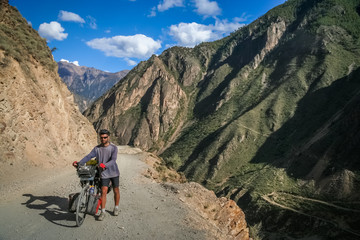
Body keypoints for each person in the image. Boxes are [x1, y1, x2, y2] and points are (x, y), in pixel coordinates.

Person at [73, 129, 120, 221]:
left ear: (108, 137)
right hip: (103, 173)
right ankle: (102, 212)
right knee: (103, 191)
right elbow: (89, 156)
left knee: (116, 190)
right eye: (101, 137)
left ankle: (116, 207)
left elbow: (113, 160)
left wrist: (104, 165)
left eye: (105, 137)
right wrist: (79, 163)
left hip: (114, 172)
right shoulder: (97, 148)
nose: (103, 139)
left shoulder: (114, 148)